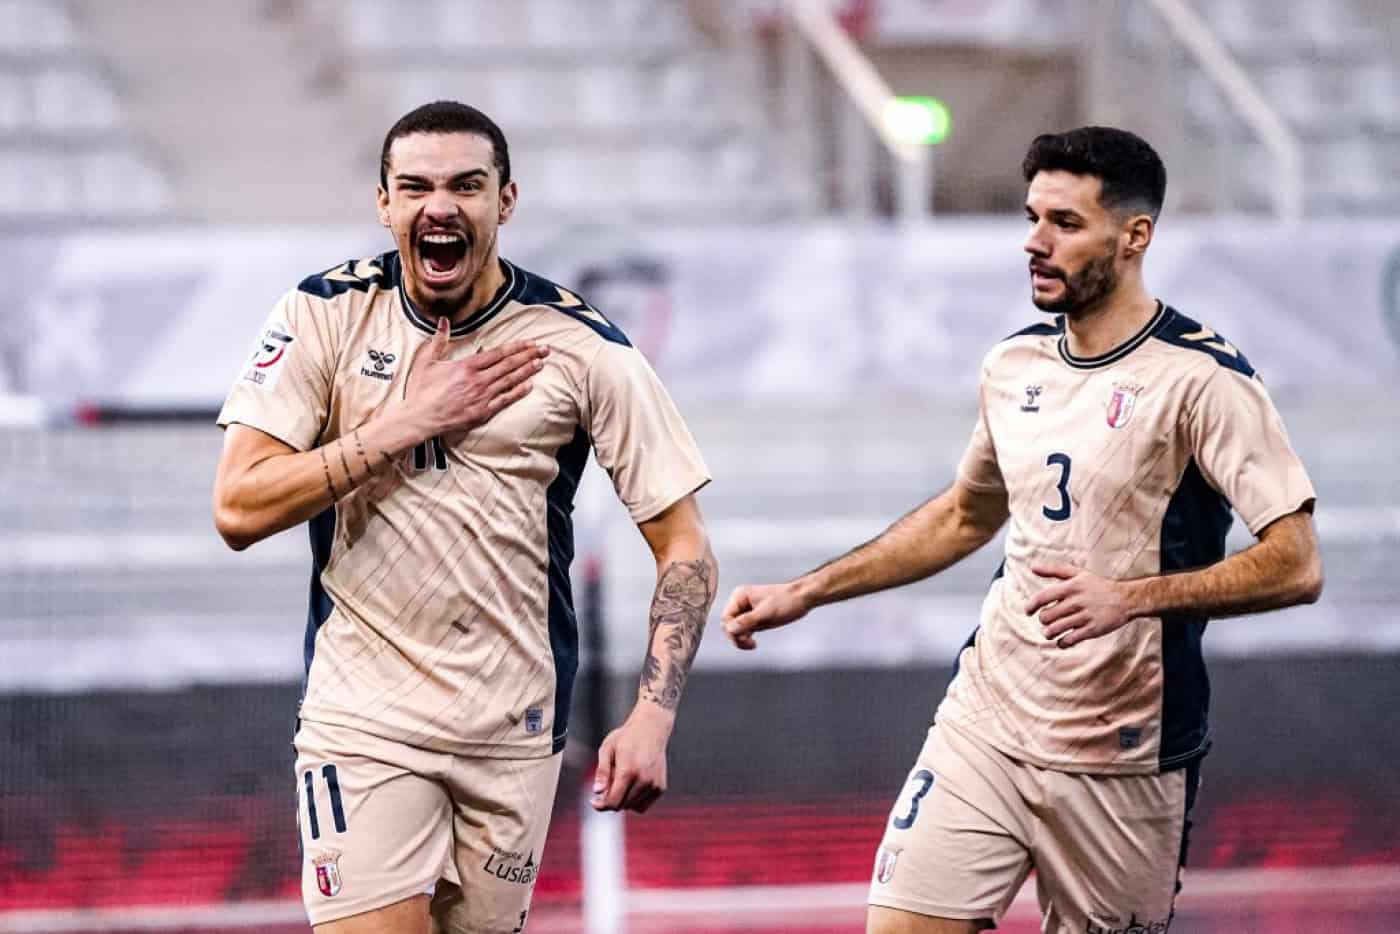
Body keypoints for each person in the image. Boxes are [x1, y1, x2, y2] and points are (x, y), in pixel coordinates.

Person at [722, 126, 1322, 934]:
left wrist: (1131, 599)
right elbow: (965, 513)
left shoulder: (1203, 380)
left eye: (1066, 224)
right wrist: (808, 590)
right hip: (990, 718)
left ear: (1135, 236)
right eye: (1032, 217)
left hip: (1125, 752)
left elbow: (1296, 564)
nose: (1035, 243)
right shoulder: (1014, 366)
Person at [212, 100, 716, 934]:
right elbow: (237, 506)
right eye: (414, 186)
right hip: (363, 715)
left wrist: (653, 715)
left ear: (505, 202)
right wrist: (403, 425)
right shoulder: (324, 314)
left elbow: (685, 543)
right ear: (385, 204)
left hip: (512, 730)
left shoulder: (584, 347)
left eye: (464, 186)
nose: (437, 206)